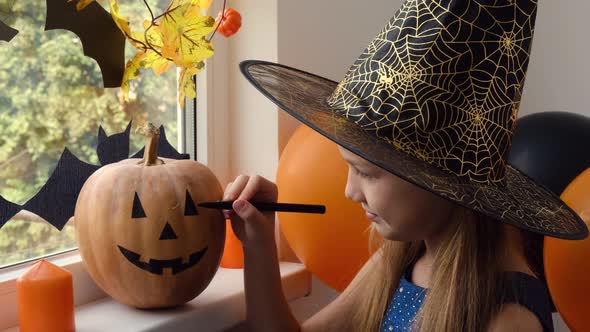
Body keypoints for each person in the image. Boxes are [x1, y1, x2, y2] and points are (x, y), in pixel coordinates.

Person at [221, 0, 589, 331]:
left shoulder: (508, 317)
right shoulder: (402, 260)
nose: (350, 192)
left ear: (439, 180)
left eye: (366, 172)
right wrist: (258, 245)